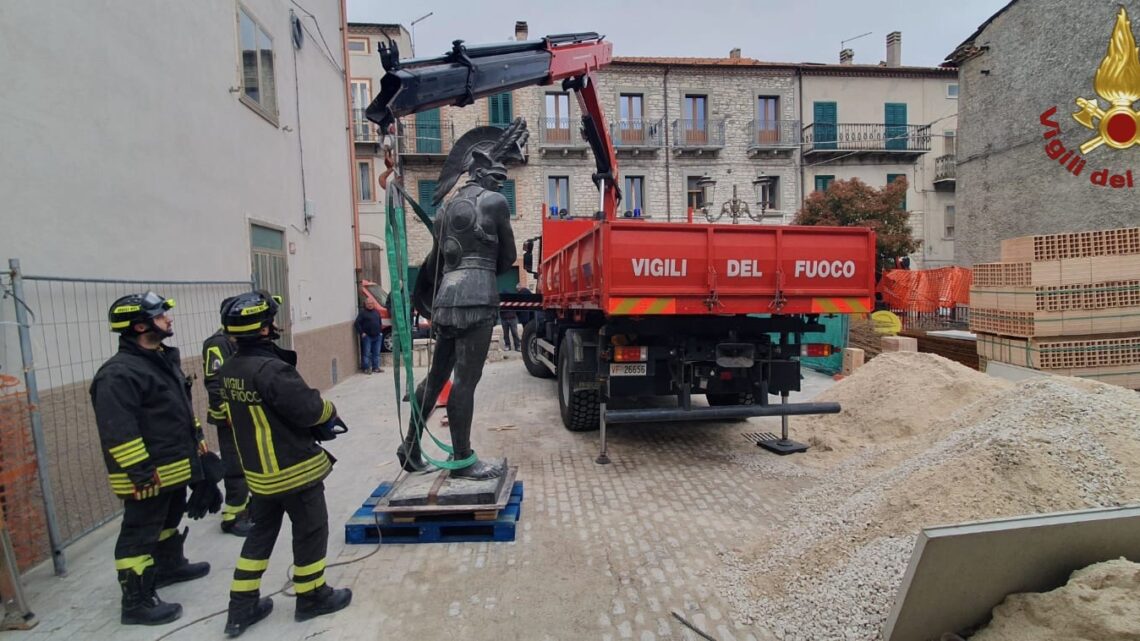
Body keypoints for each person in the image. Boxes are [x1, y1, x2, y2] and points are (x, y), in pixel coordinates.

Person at [398, 119, 526, 480]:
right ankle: (463, 459)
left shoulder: (445, 211)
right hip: (477, 298)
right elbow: (506, 258)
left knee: (437, 377)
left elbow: (436, 263)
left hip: (446, 299)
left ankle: (409, 445)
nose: (501, 182)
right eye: (498, 175)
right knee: (465, 382)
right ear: (482, 170)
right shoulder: (495, 203)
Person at [218, 291, 352, 637]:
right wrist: (329, 412)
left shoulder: (230, 368)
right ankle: (311, 596)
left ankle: (241, 606)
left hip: (260, 477)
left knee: (260, 536)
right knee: (311, 530)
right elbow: (309, 409)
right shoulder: (271, 370)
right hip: (293, 470)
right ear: (264, 329)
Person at [90, 292, 214, 626]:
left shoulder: (159, 360)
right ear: (141, 325)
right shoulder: (118, 375)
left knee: (168, 520)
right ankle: (136, 603)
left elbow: (181, 415)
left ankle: (169, 567)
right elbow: (119, 431)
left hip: (172, 469)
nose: (169, 319)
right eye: (161, 316)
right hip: (147, 475)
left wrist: (201, 457)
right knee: (138, 535)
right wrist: (140, 474)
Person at [202, 299, 253, 537]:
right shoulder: (217, 344)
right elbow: (215, 381)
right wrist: (228, 411)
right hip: (230, 418)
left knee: (247, 462)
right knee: (235, 465)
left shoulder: (236, 342)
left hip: (243, 415)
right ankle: (233, 516)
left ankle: (247, 507)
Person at [354, 297, 383, 374]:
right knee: (366, 353)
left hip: (377, 336)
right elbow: (357, 323)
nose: (370, 305)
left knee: (376, 353)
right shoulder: (362, 313)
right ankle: (366, 368)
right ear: (365, 304)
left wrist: (380, 332)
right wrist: (362, 333)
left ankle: (375, 367)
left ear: (373, 304)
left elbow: (379, 322)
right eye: (368, 304)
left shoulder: (376, 312)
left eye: (371, 303)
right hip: (367, 337)